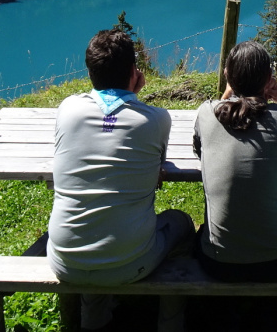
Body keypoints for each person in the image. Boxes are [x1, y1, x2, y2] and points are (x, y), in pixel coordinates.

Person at [46, 29, 195, 330]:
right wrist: (134, 95)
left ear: (89, 73)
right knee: (181, 222)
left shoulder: (67, 110)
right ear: (134, 72)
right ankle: (169, 321)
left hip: (65, 262)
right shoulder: (156, 119)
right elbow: (155, 163)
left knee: (93, 221)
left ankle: (94, 322)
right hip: (131, 262)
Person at [192, 41, 277, 281]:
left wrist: (227, 94)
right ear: (269, 78)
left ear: (227, 75)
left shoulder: (205, 113)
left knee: (197, 232)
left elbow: (202, 151)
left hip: (217, 262)